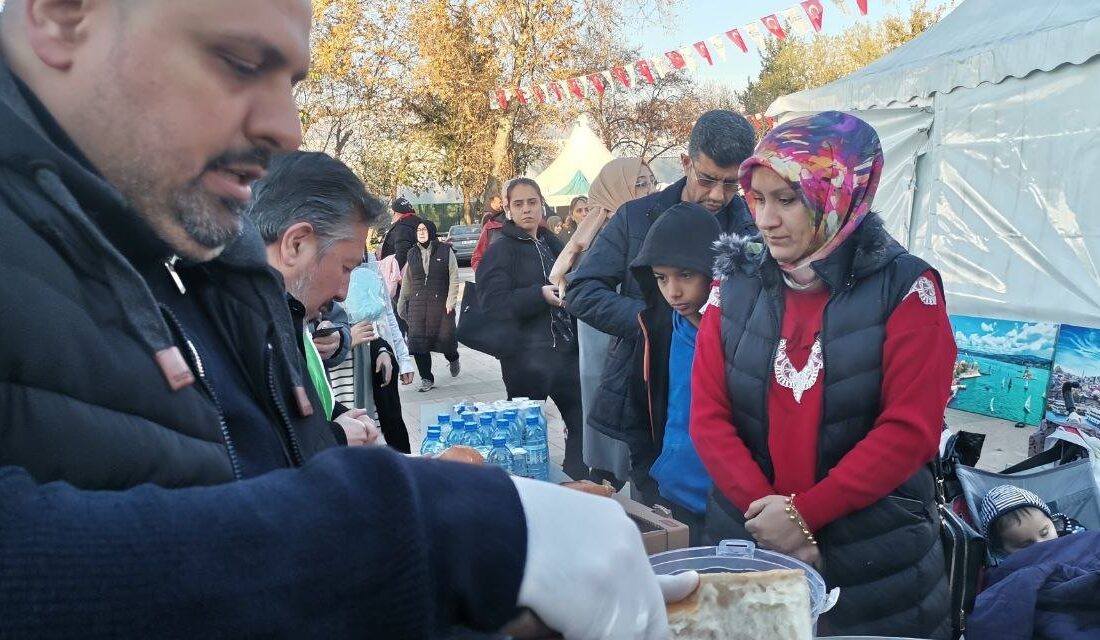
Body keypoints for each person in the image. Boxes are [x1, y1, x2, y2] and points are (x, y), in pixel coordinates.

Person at [0, 0, 694, 635]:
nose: (284, 129)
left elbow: (238, 531)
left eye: (292, 85)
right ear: (63, 17)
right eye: (240, 62)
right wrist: (443, 528)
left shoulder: (189, 261)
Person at [691, 111, 953, 638]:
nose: (765, 220)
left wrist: (805, 515)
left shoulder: (906, 290)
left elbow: (908, 432)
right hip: (748, 540)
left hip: (873, 558)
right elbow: (708, 417)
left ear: (837, 196)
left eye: (786, 200)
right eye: (758, 199)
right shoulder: (736, 282)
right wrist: (768, 523)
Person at [565, 111, 756, 501]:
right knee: (657, 509)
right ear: (686, 163)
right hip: (648, 388)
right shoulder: (637, 216)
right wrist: (649, 322)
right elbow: (582, 290)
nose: (718, 195)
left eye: (731, 184)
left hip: (732, 397)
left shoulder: (750, 225)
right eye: (706, 180)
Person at [249, 151, 391, 448]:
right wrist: (334, 438)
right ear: (296, 245)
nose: (343, 292)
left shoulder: (288, 319)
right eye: (345, 268)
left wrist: (338, 419)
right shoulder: (242, 333)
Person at [548, 158, 656, 485]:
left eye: (651, 181)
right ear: (615, 187)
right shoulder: (605, 228)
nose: (649, 190)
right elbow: (574, 282)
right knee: (607, 403)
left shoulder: (643, 223)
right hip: (606, 337)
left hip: (631, 335)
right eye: (639, 183)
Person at [477, 177, 587, 480]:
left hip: (565, 355)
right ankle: (528, 491)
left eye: (532, 202)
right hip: (525, 360)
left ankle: (575, 483)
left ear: (542, 205)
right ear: (509, 210)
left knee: (581, 425)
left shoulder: (554, 244)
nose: (527, 209)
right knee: (525, 439)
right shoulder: (501, 250)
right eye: (518, 204)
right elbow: (492, 303)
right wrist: (538, 295)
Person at [628, 203, 720, 543]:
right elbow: (637, 409)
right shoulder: (657, 331)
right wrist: (647, 479)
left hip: (729, 503)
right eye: (661, 278)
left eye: (685, 275)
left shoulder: (739, 334)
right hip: (670, 499)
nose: (673, 291)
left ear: (712, 270)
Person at [398, 219, 461, 392]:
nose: (421, 232)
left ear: (432, 231)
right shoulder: (412, 253)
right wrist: (402, 303)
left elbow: (454, 277)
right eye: (418, 229)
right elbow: (407, 281)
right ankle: (426, 378)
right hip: (418, 305)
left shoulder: (446, 251)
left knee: (447, 341)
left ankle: (453, 358)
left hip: (441, 305)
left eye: (424, 229)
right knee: (419, 345)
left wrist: (451, 301)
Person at [978, 485, 1086, 557]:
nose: (1042, 545)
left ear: (1051, 520)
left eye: (1044, 533)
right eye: (1026, 545)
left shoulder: (1072, 532)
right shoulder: (1008, 571)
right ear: (1002, 550)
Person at [379, 197, 421, 270]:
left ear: (396, 212)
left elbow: (402, 253)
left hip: (403, 274)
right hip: (417, 271)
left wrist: (392, 272)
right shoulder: (419, 223)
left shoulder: (403, 228)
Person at [471, 194, 507, 270]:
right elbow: (477, 256)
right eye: (499, 202)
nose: (501, 205)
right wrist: (485, 276)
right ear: (492, 203)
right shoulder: (489, 221)